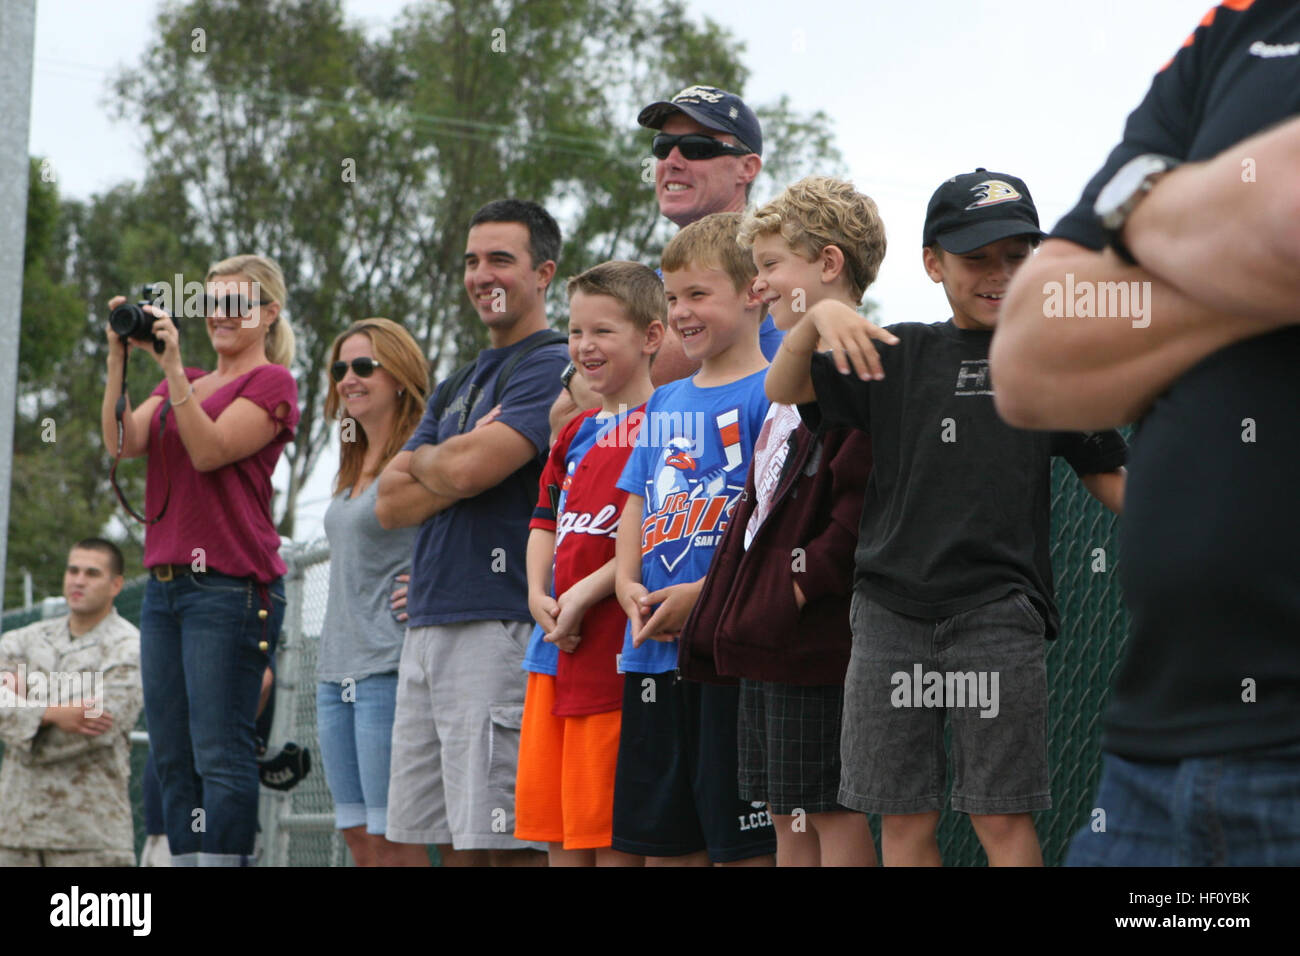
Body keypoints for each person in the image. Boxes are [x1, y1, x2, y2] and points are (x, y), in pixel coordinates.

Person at [993, 0, 1300, 865]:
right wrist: (1254, 276)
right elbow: (1031, 356)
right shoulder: (1236, 24)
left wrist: (1137, 204)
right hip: (1151, 765)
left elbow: (1286, 213)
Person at [766, 170, 1127, 866]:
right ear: (933, 264)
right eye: (976, 258)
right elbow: (786, 387)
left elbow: (1114, 479)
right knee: (903, 822)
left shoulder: (1052, 361)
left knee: (1002, 820)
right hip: (888, 615)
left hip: (998, 615)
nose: (998, 273)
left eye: (1016, 256)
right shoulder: (896, 352)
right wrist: (815, 319)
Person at [679, 177, 883, 866]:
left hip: (815, 638)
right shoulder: (792, 379)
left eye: (770, 266)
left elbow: (858, 509)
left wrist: (791, 592)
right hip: (772, 639)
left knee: (828, 810)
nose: (759, 283)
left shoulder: (863, 363)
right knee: (785, 815)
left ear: (828, 264)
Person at [376, 199, 569, 867]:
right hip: (429, 624)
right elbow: (388, 502)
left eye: (501, 260)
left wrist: (442, 462)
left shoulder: (553, 362)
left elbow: (467, 470)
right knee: (451, 839)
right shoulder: (459, 380)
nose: (482, 274)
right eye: (472, 260)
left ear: (544, 273)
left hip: (498, 621)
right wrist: (452, 462)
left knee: (507, 839)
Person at [100, 253, 300, 866]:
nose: (221, 314)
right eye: (212, 302)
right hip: (164, 588)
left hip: (229, 587)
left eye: (237, 303)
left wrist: (174, 375)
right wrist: (118, 357)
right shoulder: (176, 380)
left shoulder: (272, 384)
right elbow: (119, 443)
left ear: (268, 313)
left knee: (220, 750)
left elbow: (209, 451)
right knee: (171, 752)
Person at [612, 212, 775, 866]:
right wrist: (627, 582)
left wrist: (706, 597)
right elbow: (636, 500)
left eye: (698, 295)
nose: (681, 312)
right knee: (664, 845)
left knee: (743, 848)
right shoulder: (664, 399)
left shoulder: (776, 391)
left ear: (754, 292)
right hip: (653, 656)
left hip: (732, 654)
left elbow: (777, 526)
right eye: (672, 297)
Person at [517, 262, 664, 866]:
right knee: (559, 835)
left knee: (607, 836)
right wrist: (538, 593)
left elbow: (654, 534)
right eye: (576, 332)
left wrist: (584, 594)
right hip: (551, 653)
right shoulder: (574, 429)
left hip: (610, 658)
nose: (585, 347)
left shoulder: (666, 421)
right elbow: (543, 523)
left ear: (651, 336)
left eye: (603, 332)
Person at [317, 318, 430, 867]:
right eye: (341, 368)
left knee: (395, 836)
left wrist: (432, 581)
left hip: (389, 664)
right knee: (358, 836)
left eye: (364, 366)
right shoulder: (349, 459)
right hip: (333, 669)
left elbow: (472, 523)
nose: (349, 378)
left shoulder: (426, 452)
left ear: (400, 376)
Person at [0, 539, 141, 867]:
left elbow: (100, 718)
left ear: (116, 584)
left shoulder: (130, 648)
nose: (78, 580)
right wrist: (50, 712)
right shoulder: (25, 640)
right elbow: (74, 713)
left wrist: (20, 711)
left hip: (90, 836)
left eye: (92, 573)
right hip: (14, 830)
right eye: (73, 570)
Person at [637, 85, 783, 382]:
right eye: (662, 146)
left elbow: (616, 380)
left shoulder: (767, 265)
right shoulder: (657, 278)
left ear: (748, 167)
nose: (672, 162)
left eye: (697, 148)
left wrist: (574, 375)